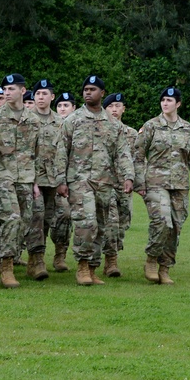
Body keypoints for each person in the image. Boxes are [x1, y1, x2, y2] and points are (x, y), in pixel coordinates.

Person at [55, 76, 134, 286]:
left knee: (99, 225)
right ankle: (81, 266)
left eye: (92, 89)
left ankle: (92, 268)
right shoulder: (73, 120)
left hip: (104, 182)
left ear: (101, 93)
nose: (88, 93)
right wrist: (60, 180)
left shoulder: (111, 123)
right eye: (85, 90)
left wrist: (128, 176)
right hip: (79, 181)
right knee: (86, 223)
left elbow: (122, 152)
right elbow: (61, 150)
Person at [134, 86, 190, 285]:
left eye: (169, 100)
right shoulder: (151, 126)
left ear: (178, 104)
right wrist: (139, 181)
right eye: (163, 100)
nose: (165, 103)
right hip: (155, 183)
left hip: (180, 184)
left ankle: (165, 267)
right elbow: (138, 156)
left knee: (175, 227)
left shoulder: (187, 128)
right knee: (162, 222)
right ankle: (151, 259)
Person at [0, 73, 41, 288]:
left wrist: (35, 182)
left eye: (11, 89)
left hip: (25, 178)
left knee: (23, 222)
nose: (7, 93)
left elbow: (36, 153)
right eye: (4, 89)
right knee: (12, 219)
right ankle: (7, 268)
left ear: (23, 91)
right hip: (3, 177)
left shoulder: (33, 120)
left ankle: (2, 257)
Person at [26, 79, 73, 273]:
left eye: (45, 94)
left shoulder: (61, 123)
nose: (41, 97)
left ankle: (46, 256)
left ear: (52, 97)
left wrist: (63, 180)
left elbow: (66, 153)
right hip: (32, 178)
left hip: (54, 180)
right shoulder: (27, 119)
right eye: (37, 94)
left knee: (51, 218)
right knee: (36, 216)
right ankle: (37, 260)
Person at [102, 92, 138, 276]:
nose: (114, 110)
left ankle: (113, 253)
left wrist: (138, 183)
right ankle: (111, 261)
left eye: (118, 106)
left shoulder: (131, 134)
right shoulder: (100, 131)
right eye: (110, 106)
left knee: (123, 224)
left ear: (124, 109)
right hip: (105, 185)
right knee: (111, 223)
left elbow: (138, 161)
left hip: (124, 187)